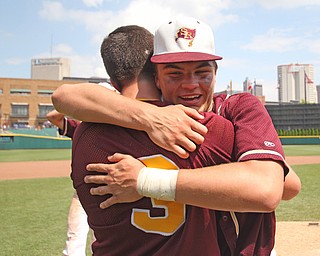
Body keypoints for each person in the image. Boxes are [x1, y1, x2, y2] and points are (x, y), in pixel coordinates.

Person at [52, 17, 301, 255]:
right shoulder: (218, 128)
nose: (191, 84)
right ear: (155, 76)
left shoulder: (233, 111)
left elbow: (279, 187)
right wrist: (151, 117)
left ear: (216, 72)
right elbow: (64, 97)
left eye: (202, 72)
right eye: (175, 74)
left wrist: (144, 180)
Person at [46, 110, 90, 256]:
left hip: (107, 192)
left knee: (104, 241)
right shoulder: (80, 127)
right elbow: (53, 116)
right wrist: (78, 103)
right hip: (82, 193)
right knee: (75, 239)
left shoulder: (116, 127)